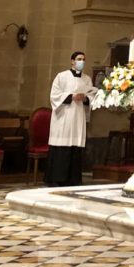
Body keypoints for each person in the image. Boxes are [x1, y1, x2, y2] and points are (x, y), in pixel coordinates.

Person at [46, 51, 98, 187]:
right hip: (64, 116)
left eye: (84, 59)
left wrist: (85, 98)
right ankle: (57, 178)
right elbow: (54, 95)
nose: (82, 62)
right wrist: (71, 96)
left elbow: (92, 96)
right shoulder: (61, 76)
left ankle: (73, 179)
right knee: (62, 146)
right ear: (72, 61)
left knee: (75, 146)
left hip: (78, 116)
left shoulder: (86, 79)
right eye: (79, 59)